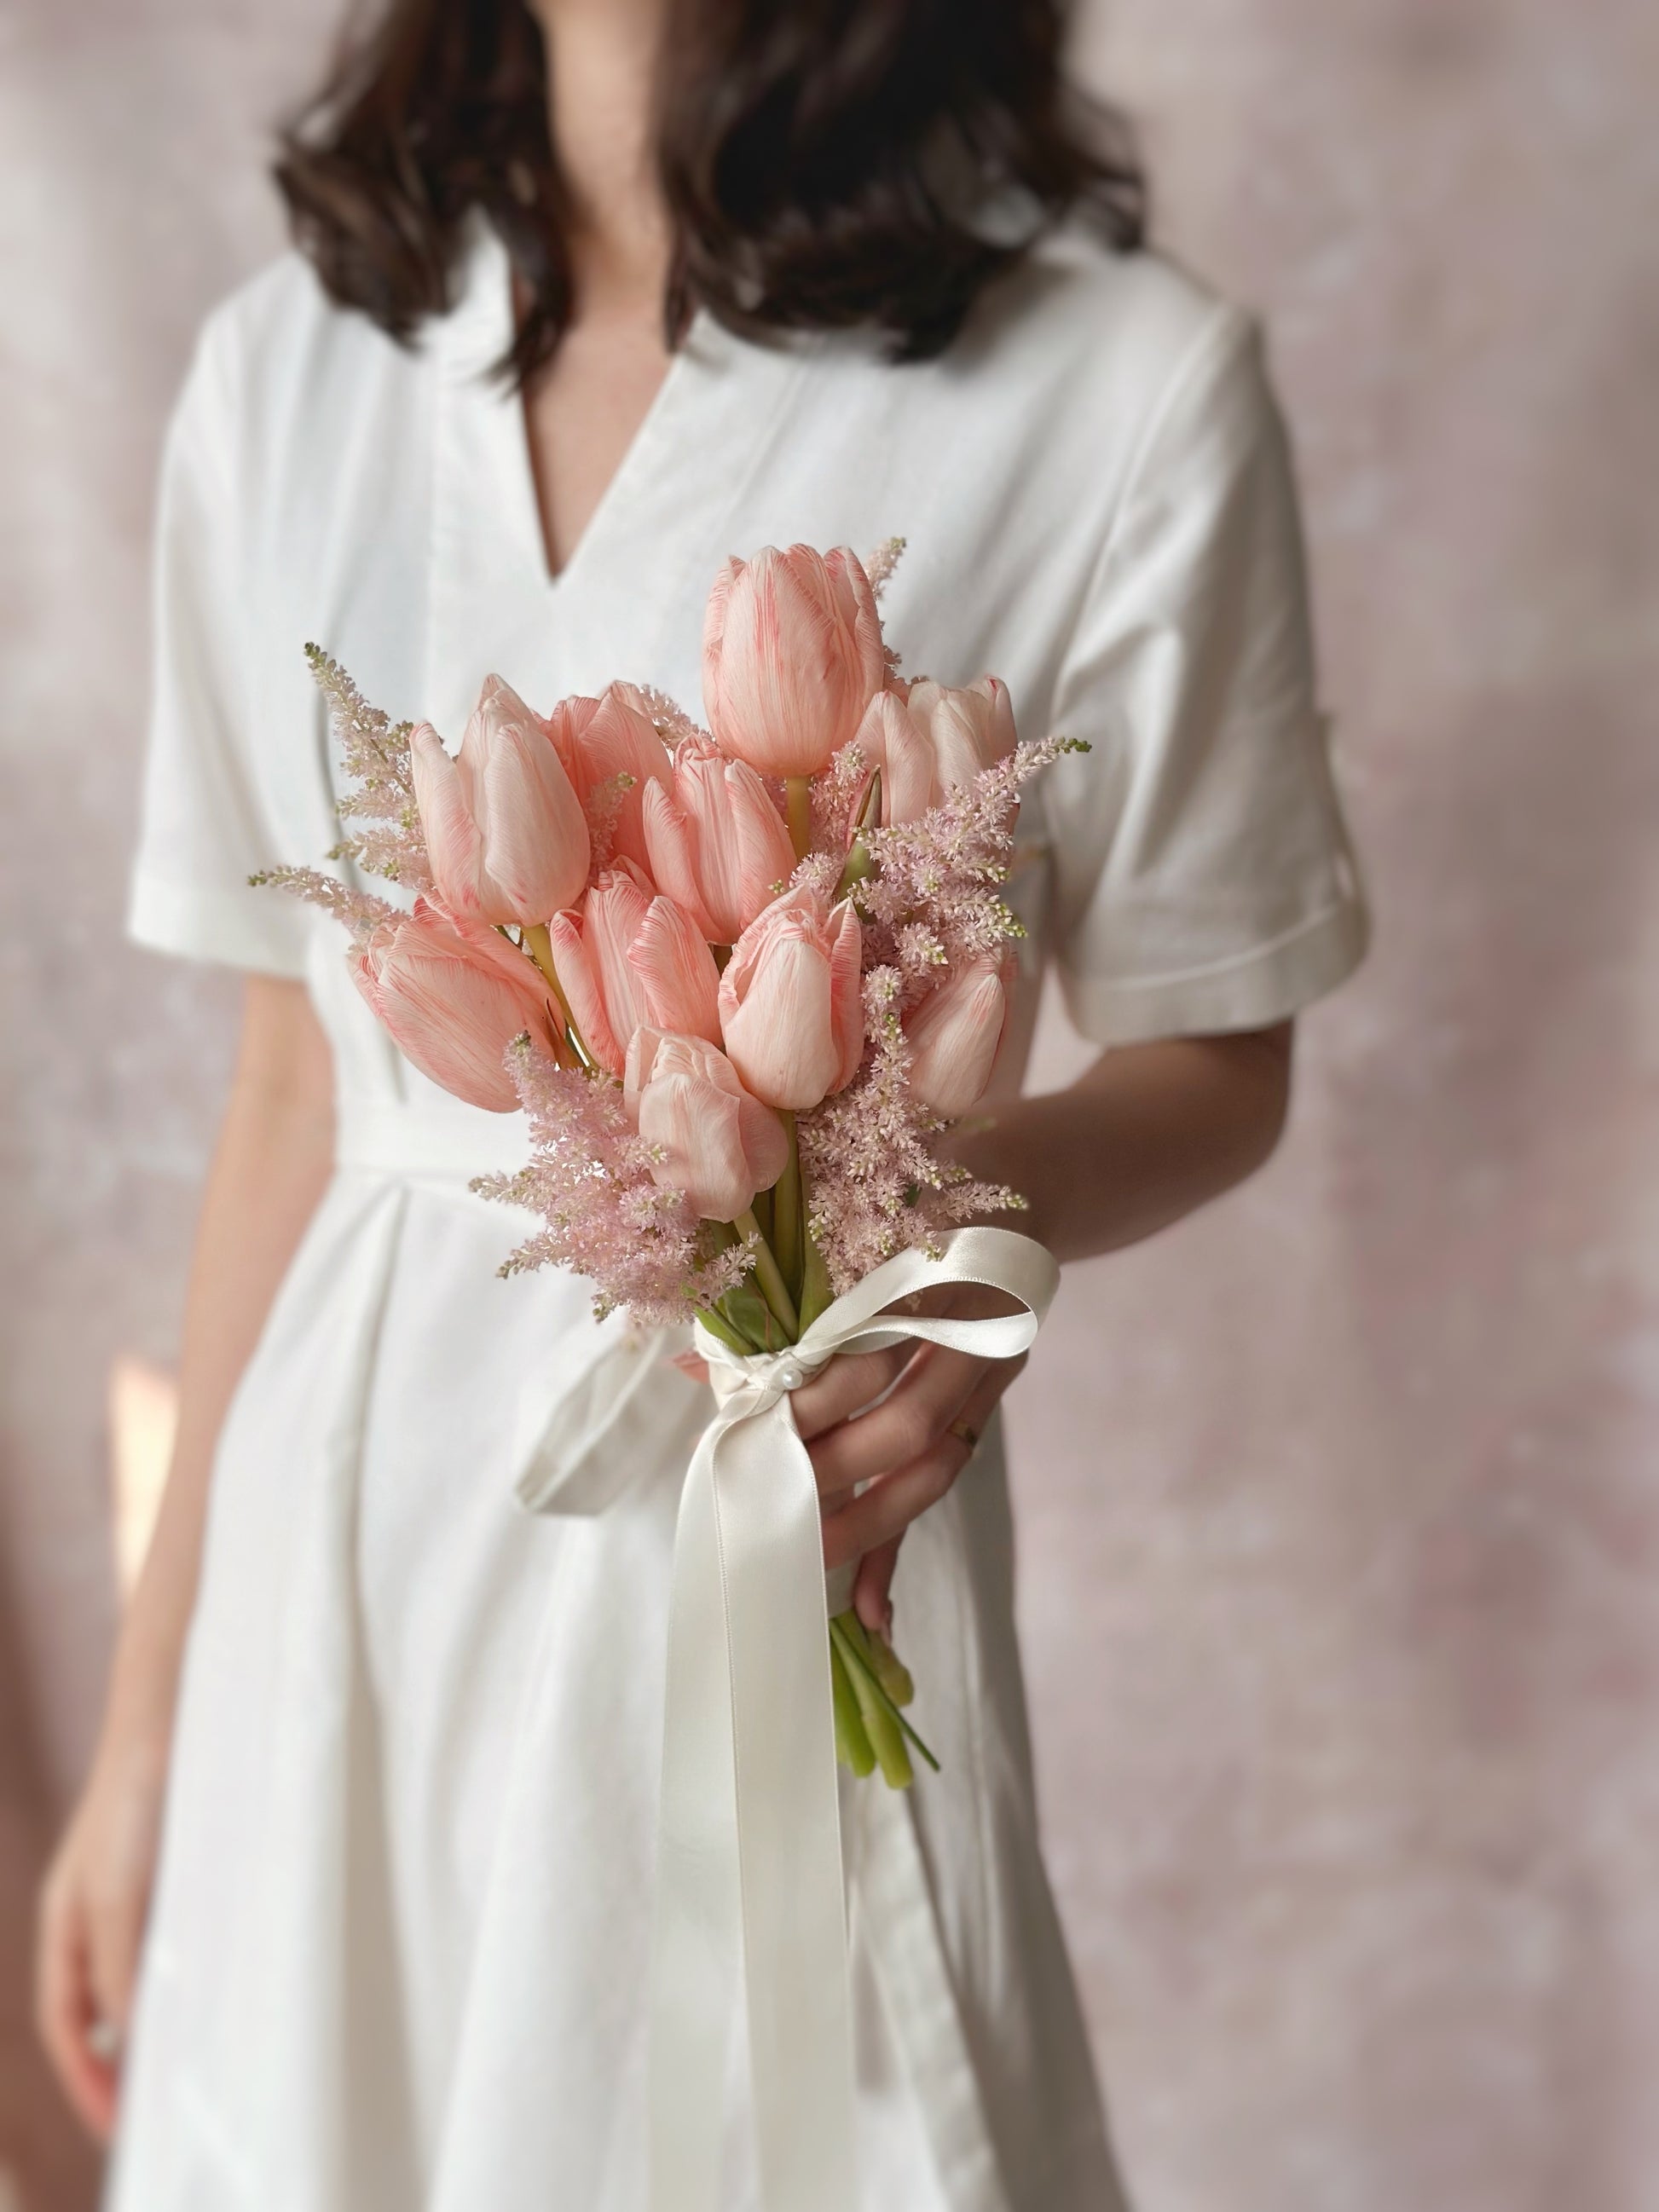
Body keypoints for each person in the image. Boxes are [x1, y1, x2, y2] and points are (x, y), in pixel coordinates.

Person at [37, 1, 1367, 2204]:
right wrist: (149, 1717)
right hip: (332, 1595)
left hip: (769, 1525)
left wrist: (943, 1225)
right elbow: (297, 1085)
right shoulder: (290, 371)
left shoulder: (1116, 380)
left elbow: (1220, 1061)